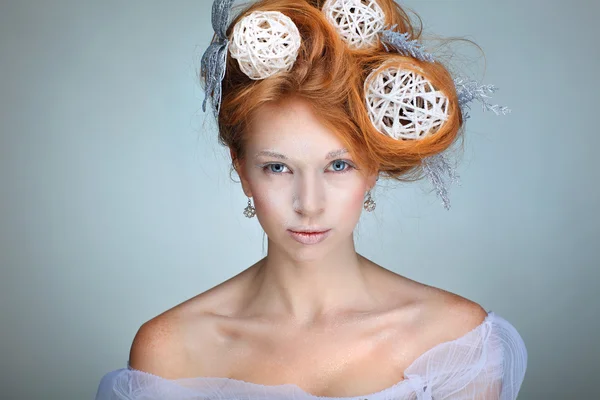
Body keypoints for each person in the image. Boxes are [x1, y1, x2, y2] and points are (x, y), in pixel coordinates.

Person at [95, 0, 528, 398]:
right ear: (241, 169)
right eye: (277, 167)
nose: (309, 203)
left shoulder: (453, 341)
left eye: (338, 165)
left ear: (372, 167)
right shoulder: (172, 351)